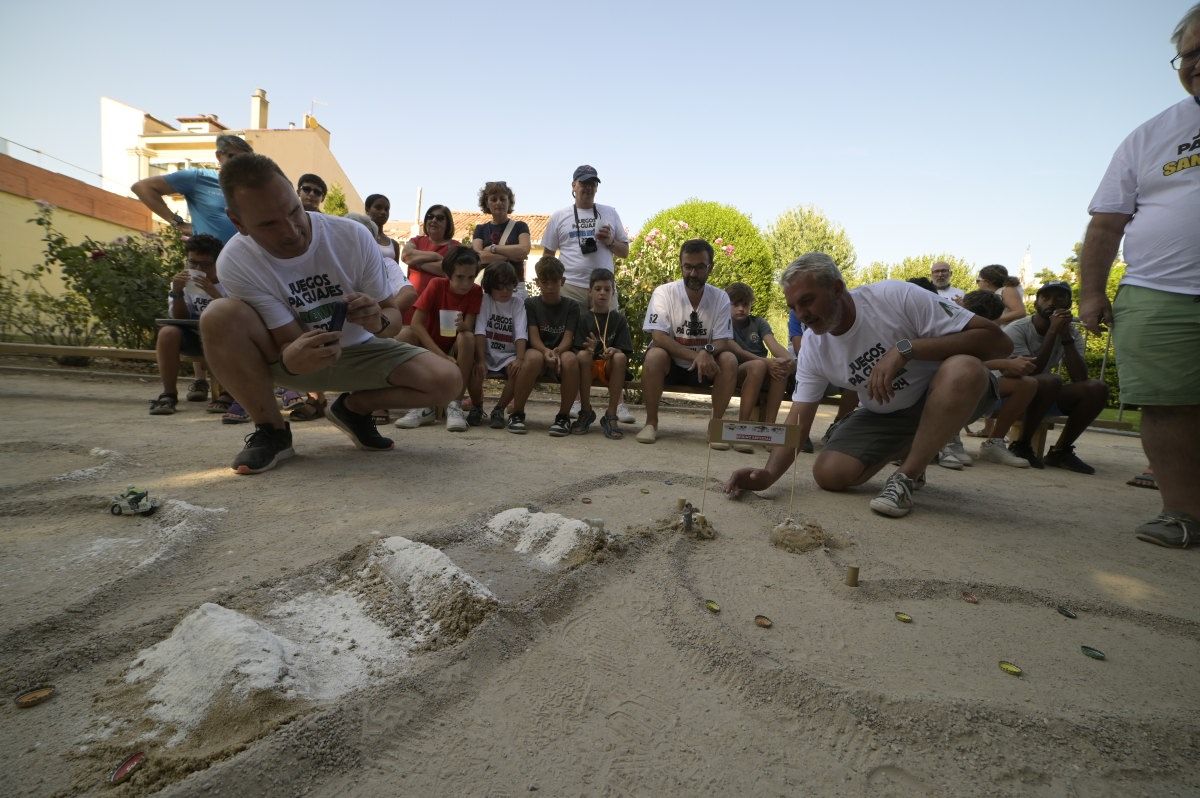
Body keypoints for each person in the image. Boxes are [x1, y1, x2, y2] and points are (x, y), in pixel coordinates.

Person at [198, 153, 461, 475]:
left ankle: (352, 410)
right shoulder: (235, 261)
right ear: (238, 223)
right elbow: (288, 339)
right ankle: (272, 430)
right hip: (288, 355)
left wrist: (377, 321)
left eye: (294, 211)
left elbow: (391, 319)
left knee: (448, 381)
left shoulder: (352, 235)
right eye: (268, 224)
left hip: (362, 350)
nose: (292, 230)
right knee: (218, 315)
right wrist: (293, 356)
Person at [724, 253, 1012, 518]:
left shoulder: (896, 296)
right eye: (793, 307)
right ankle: (919, 449)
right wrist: (768, 475)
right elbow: (798, 419)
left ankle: (906, 476)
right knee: (829, 474)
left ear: (838, 288)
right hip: (888, 413)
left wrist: (906, 349)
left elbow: (999, 343)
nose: (802, 314)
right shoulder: (813, 345)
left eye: (808, 301)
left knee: (964, 368)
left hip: (951, 394)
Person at [1079, 3, 1200, 548]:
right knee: (1168, 403)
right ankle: (1183, 514)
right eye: (1189, 53)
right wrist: (1090, 293)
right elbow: (1106, 226)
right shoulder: (1150, 135)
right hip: (1160, 291)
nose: (1196, 63)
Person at [636, 239, 742, 449]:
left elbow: (722, 341)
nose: (693, 273)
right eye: (688, 267)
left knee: (729, 359)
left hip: (706, 367)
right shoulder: (664, 292)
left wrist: (707, 352)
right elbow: (658, 336)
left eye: (700, 267)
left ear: (710, 267)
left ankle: (716, 427)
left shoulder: (720, 298)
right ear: (681, 265)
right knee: (654, 355)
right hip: (672, 365)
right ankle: (651, 423)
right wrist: (697, 356)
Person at [1000, 282, 1108, 473]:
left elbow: (1080, 378)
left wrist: (1065, 336)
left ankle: (1060, 451)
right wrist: (1052, 331)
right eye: (1046, 298)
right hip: (1008, 394)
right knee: (1051, 380)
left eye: (1060, 298)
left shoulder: (1072, 332)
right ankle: (1021, 445)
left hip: (1040, 396)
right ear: (1035, 304)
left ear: (1068, 305)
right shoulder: (1017, 329)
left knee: (1096, 388)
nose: (1052, 302)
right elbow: (1031, 372)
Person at [395, 247, 484, 431]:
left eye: (470, 277)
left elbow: (468, 327)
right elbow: (416, 324)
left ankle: (455, 405)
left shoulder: (475, 291)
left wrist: (463, 327)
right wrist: (440, 356)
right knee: (404, 335)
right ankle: (421, 406)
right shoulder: (437, 285)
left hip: (455, 347)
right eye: (460, 277)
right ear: (448, 274)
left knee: (467, 337)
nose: (465, 283)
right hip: (429, 346)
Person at [958, 290, 1041, 468]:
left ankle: (994, 444)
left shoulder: (997, 337)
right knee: (962, 376)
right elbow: (949, 364)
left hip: (979, 387)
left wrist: (1009, 367)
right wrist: (1001, 363)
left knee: (1027, 384)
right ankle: (948, 440)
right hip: (945, 387)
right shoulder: (950, 327)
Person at [148, 234, 230, 415]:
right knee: (167, 332)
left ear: (218, 263)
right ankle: (168, 394)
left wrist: (213, 292)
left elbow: (236, 317)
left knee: (219, 329)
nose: (198, 269)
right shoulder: (183, 283)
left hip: (225, 338)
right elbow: (179, 318)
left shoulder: (230, 282)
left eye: (205, 265)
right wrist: (177, 292)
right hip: (194, 337)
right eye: (192, 263)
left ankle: (227, 394)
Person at [131, 134, 252, 243]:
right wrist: (178, 223)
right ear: (219, 156)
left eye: (242, 159)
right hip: (206, 260)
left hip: (242, 260)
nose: (236, 162)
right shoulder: (197, 178)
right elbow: (142, 188)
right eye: (231, 156)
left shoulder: (252, 187)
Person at [540, 165, 630, 306]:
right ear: (574, 185)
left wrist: (611, 242)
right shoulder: (559, 216)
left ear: (596, 188)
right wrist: (547, 286)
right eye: (584, 183)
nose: (588, 188)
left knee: (607, 328)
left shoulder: (610, 212)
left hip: (603, 288)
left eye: (592, 184)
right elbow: (548, 256)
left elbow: (625, 252)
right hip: (570, 287)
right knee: (571, 329)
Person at [473, 262, 539, 434]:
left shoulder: (517, 303)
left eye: (509, 287)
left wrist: (520, 358)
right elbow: (479, 330)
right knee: (473, 367)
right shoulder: (485, 300)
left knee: (518, 370)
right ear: (489, 286)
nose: (505, 292)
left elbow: (520, 333)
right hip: (486, 352)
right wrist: (480, 360)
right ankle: (476, 406)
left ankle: (499, 408)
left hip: (507, 354)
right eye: (499, 287)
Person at [573, 268, 633, 439]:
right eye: (598, 289)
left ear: (613, 293)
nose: (602, 293)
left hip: (608, 367)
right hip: (588, 367)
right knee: (583, 356)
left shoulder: (618, 319)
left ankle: (611, 415)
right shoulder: (583, 318)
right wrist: (589, 350)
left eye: (607, 289)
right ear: (590, 292)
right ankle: (585, 411)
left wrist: (614, 350)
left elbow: (624, 350)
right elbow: (576, 350)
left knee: (620, 357)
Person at [525, 256, 580, 437]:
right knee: (532, 357)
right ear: (537, 282)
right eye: (545, 282)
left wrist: (557, 351)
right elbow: (533, 338)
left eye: (554, 281)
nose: (549, 286)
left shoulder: (572, 306)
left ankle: (563, 417)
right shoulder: (531, 304)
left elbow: (568, 337)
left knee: (571, 360)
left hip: (561, 352)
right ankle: (517, 413)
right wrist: (546, 352)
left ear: (562, 281)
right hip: (539, 350)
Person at [725, 282, 794, 424]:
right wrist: (766, 361)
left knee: (780, 368)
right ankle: (743, 425)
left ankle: (770, 426)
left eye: (745, 305)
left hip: (762, 368)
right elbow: (737, 351)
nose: (741, 309)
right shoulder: (723, 323)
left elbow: (773, 345)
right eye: (735, 304)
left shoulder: (758, 322)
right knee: (758, 366)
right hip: (737, 371)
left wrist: (788, 360)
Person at [472, 181, 531, 298]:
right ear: (487, 203)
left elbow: (524, 250)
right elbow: (479, 257)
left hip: (515, 287)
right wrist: (511, 255)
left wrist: (493, 248)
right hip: (488, 287)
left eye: (502, 199)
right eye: (493, 199)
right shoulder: (480, 229)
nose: (498, 202)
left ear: (509, 202)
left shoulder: (520, 226)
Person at [401, 205, 458, 323]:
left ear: (448, 223)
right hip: (413, 302)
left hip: (438, 305)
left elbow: (447, 271)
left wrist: (416, 263)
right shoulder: (416, 240)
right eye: (430, 217)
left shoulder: (455, 247)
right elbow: (406, 256)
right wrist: (435, 256)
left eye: (440, 218)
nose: (433, 220)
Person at [365, 194, 403, 264]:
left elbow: (395, 272)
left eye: (386, 209)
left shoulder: (394, 244)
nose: (383, 212)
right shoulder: (360, 236)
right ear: (367, 209)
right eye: (378, 208)